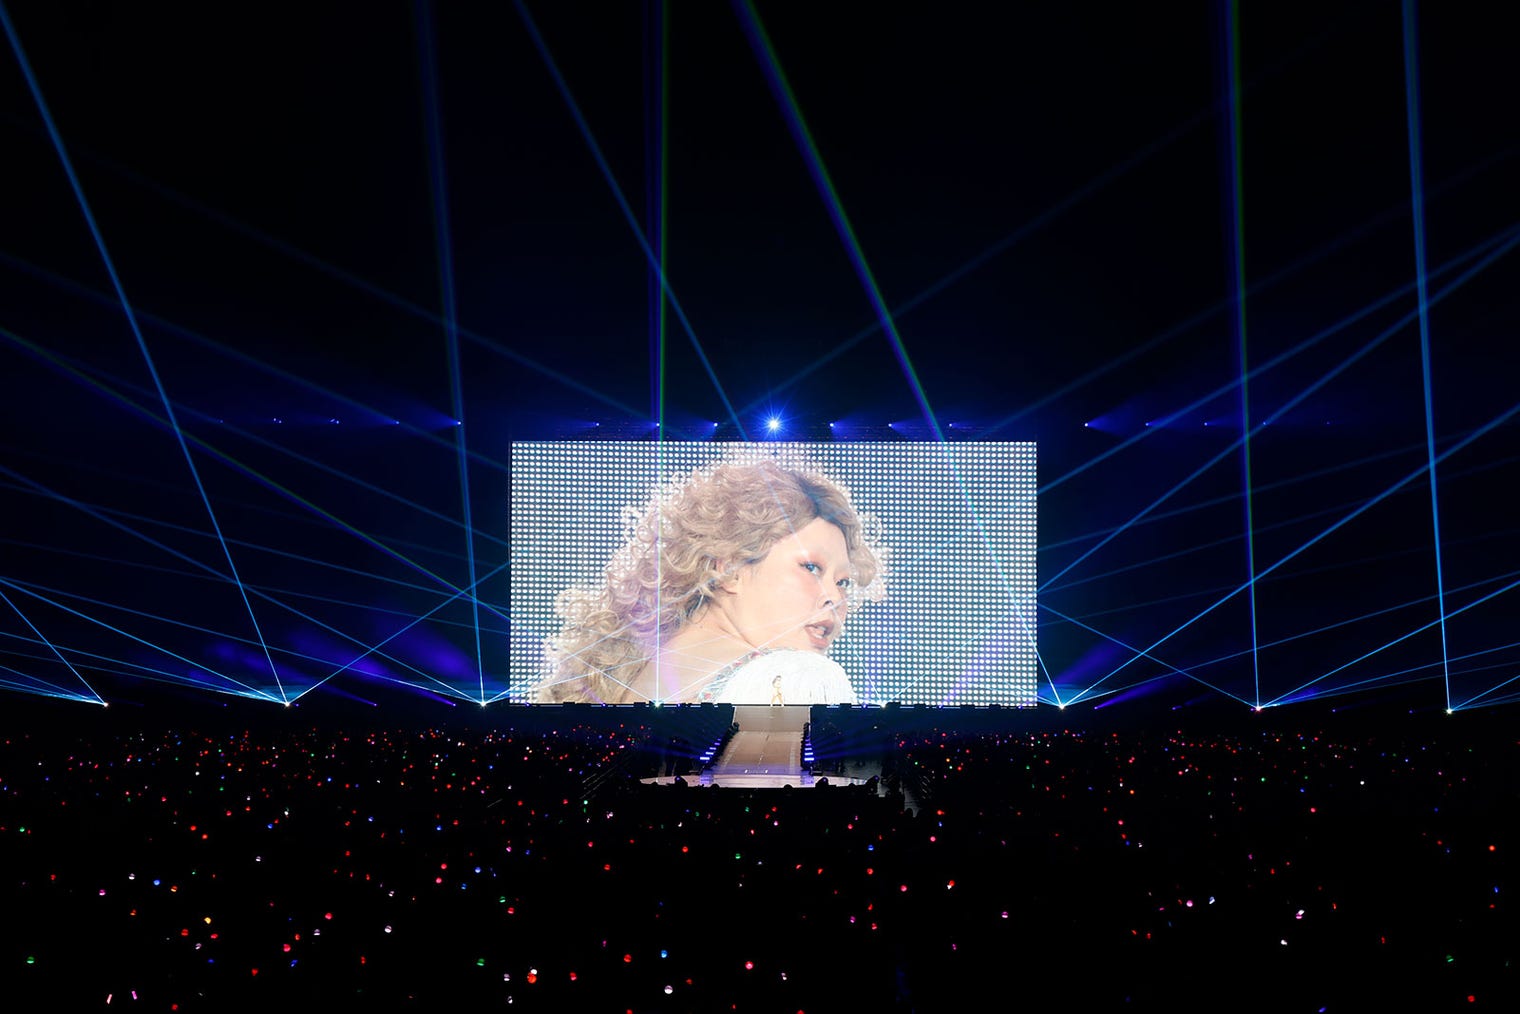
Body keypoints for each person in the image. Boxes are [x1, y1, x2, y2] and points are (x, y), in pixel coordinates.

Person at [538, 458, 885, 704]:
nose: (834, 598)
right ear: (729, 569)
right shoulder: (793, 678)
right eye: (811, 567)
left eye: (843, 582)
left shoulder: (634, 676)